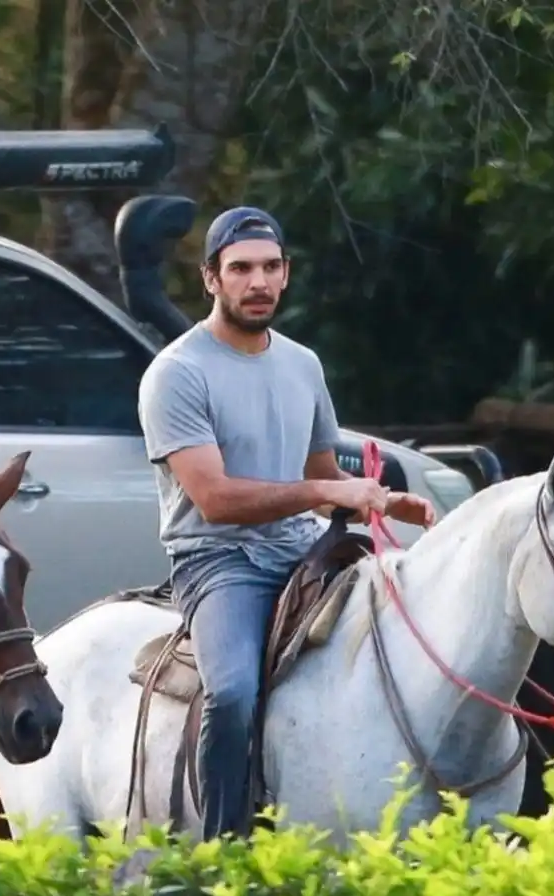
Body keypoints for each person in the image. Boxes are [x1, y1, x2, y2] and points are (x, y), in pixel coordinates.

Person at [136, 205, 437, 840]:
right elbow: (215, 499)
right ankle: (224, 847)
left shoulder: (303, 365)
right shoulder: (176, 373)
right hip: (219, 562)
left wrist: (376, 501)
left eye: (271, 267)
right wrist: (325, 489)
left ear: (287, 273)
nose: (259, 282)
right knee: (234, 694)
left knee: (408, 648)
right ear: (211, 278)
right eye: (241, 269)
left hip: (305, 551)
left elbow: (322, 485)